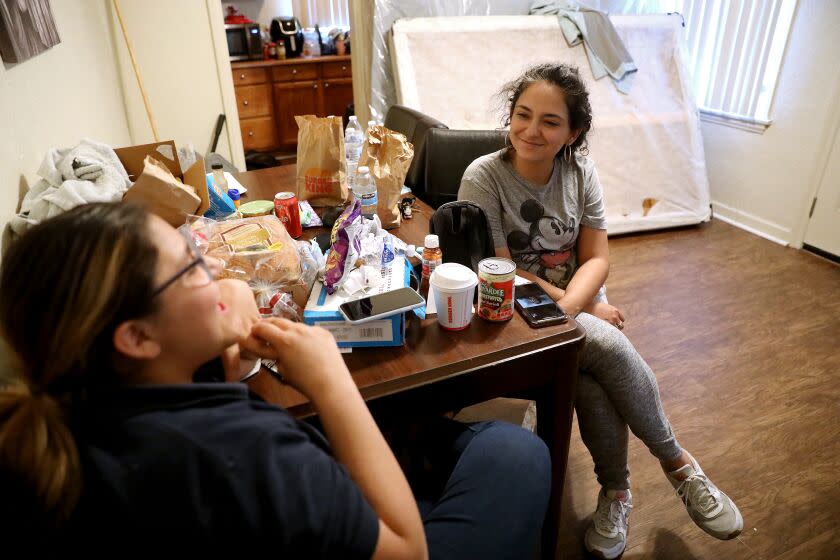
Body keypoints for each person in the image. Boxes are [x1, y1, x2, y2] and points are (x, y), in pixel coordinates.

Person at [0, 202, 550, 559]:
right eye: (192, 266)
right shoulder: (245, 452)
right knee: (515, 452)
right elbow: (407, 551)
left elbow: (216, 349)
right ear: (137, 337)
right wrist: (331, 382)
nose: (215, 269)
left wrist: (220, 324)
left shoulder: (71, 408)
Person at [458, 63, 743, 559]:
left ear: (574, 132)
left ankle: (617, 492)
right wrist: (584, 309)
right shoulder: (483, 177)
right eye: (522, 115)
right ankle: (677, 464)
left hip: (571, 304)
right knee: (605, 344)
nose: (531, 130)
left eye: (550, 121)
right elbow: (504, 273)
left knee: (587, 379)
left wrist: (574, 307)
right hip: (515, 308)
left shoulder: (579, 171)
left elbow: (597, 257)